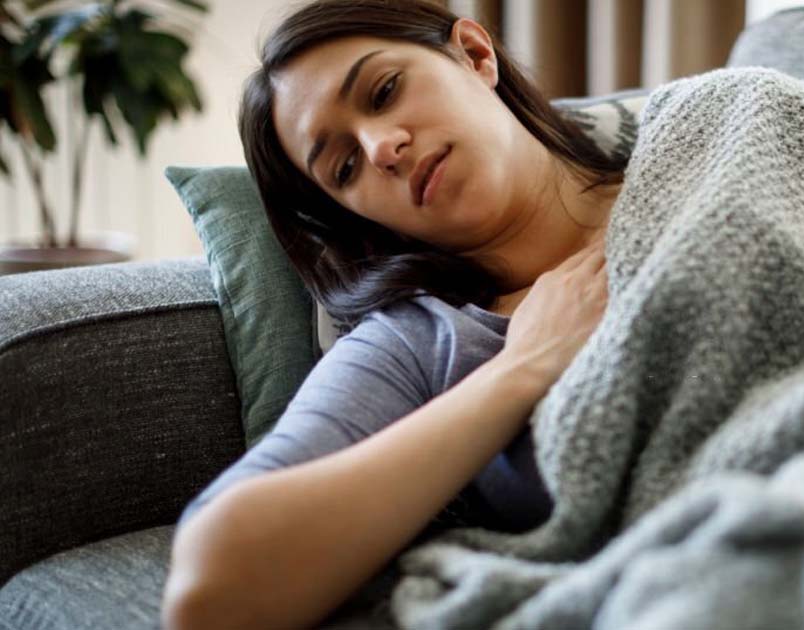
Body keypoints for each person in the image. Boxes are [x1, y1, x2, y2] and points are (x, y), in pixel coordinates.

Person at [160, 0, 624, 628]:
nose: (383, 148)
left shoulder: (714, 132)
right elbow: (209, 592)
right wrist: (523, 369)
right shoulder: (419, 343)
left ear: (475, 55)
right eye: (344, 168)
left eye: (384, 91)